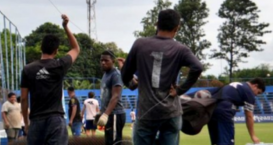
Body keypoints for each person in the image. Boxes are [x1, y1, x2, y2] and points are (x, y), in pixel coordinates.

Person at [121, 9, 203, 145]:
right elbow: (198, 67)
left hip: (146, 111)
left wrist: (131, 84)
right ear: (177, 28)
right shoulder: (180, 49)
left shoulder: (140, 44)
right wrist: (180, 90)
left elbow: (125, 74)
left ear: (156, 24)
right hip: (171, 112)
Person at [20, 14, 80, 145]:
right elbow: (76, 48)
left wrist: (26, 123)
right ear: (56, 51)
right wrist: (65, 27)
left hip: (36, 121)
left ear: (41, 48)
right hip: (55, 120)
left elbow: (24, 99)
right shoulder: (60, 65)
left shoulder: (28, 69)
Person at [207, 78, 265, 145]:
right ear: (255, 86)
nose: (256, 95)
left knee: (216, 142)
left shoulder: (237, 84)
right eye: (258, 92)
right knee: (226, 142)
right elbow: (249, 116)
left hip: (212, 109)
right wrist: (253, 136)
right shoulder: (248, 92)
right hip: (225, 110)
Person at [96, 50, 126, 145]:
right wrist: (101, 112)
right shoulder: (105, 74)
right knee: (109, 142)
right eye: (101, 60)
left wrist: (105, 114)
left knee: (114, 143)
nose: (103, 62)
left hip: (115, 114)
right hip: (109, 114)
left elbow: (115, 96)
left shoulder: (115, 74)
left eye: (106, 60)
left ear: (113, 61)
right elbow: (105, 97)